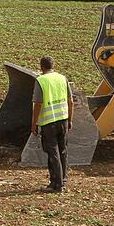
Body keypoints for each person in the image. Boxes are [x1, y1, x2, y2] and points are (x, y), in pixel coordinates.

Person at [30, 56, 74, 193]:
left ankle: (56, 184)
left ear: (41, 67)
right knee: (63, 150)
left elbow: (37, 104)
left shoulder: (41, 81)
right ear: (53, 65)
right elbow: (71, 101)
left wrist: (34, 124)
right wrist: (70, 119)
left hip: (49, 122)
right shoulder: (62, 78)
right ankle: (64, 179)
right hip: (63, 119)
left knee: (52, 152)